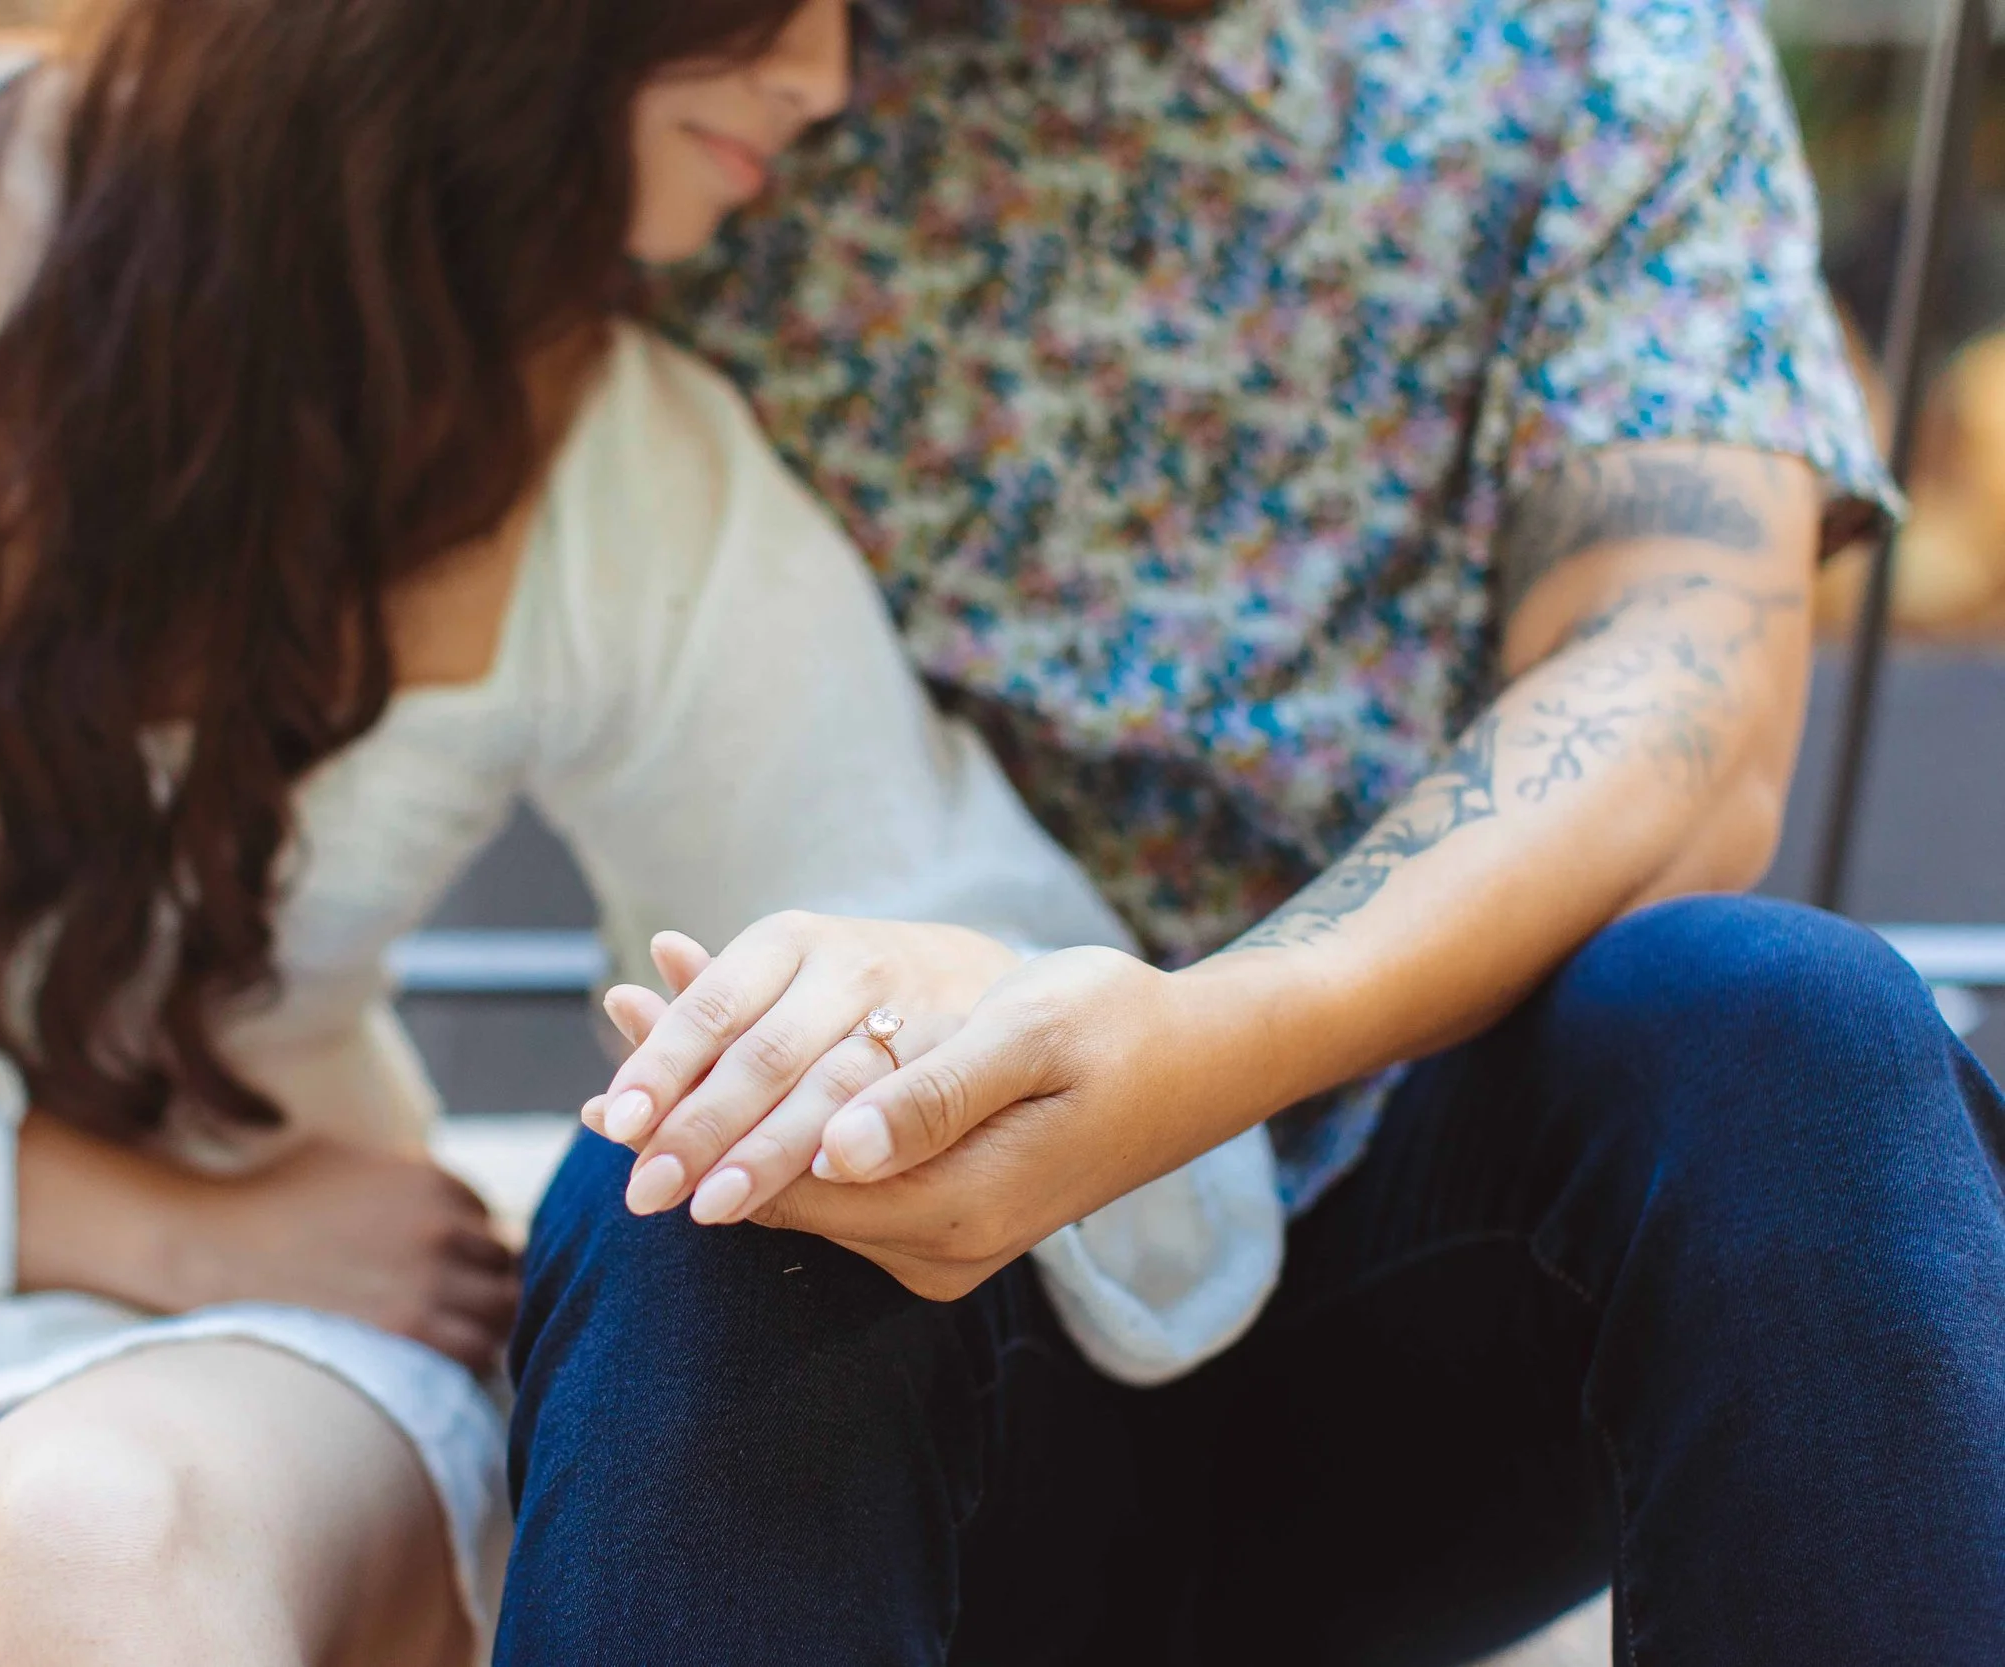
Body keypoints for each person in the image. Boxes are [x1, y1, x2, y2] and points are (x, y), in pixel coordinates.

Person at [0, 0, 1162, 1660]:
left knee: (91, 1539)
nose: (829, 74)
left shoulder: (615, 461)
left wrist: (904, 986)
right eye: (778, 5)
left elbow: (958, 921)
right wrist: (147, 1220)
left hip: (266, 1329)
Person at [500, 0, 2005, 1661]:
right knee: (707, 1184)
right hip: (907, 1268)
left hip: (1418, 1242)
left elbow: (1683, 685)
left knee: (1798, 1031)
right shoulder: (761, 54)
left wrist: (1201, 1042)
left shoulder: (1603, 43)